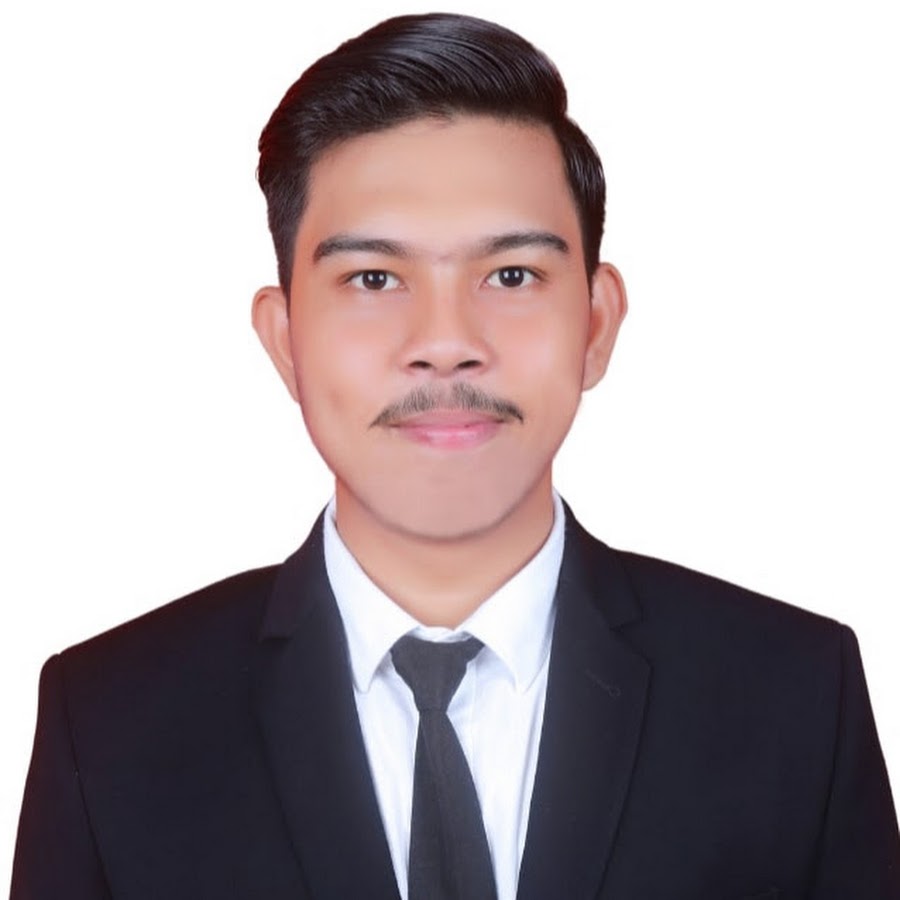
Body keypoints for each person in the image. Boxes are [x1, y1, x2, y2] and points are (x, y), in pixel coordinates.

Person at [10, 12, 900, 900]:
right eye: (373, 279)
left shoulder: (793, 696)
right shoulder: (110, 720)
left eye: (511, 276)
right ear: (285, 341)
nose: (445, 344)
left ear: (596, 324)